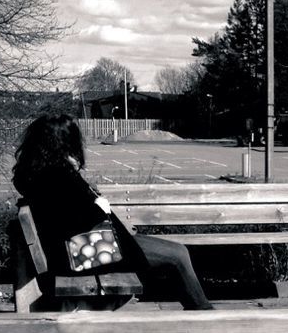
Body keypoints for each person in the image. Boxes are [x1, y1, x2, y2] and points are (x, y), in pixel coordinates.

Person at [11, 113, 213, 309]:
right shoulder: (59, 175)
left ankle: (200, 310)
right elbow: (85, 219)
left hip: (76, 249)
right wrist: (100, 206)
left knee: (175, 252)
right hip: (84, 252)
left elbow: (68, 215)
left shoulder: (41, 173)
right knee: (178, 254)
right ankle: (203, 315)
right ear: (63, 142)